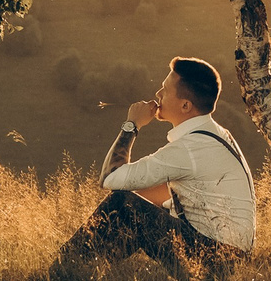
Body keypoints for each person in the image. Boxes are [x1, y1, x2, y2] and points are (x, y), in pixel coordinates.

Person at [69, 55, 256, 261]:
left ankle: (65, 269)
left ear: (185, 106)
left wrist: (132, 125)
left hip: (215, 258)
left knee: (123, 203)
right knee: (138, 202)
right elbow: (165, 194)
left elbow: (110, 178)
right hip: (229, 256)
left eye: (165, 90)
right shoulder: (216, 134)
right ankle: (87, 268)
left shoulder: (188, 148)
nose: (158, 94)